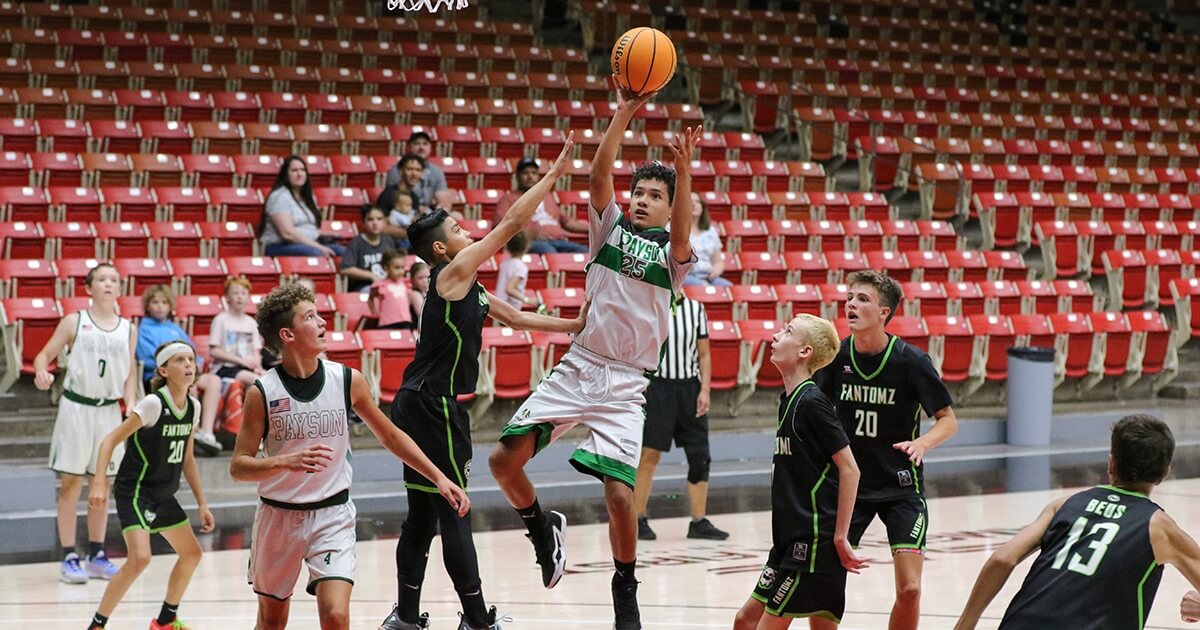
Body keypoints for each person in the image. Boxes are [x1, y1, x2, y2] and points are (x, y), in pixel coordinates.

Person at [487, 80, 703, 630]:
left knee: (618, 496)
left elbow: (682, 228)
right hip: (579, 367)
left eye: (655, 195)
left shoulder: (673, 258)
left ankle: (624, 585)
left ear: (670, 206)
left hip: (628, 384)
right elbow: (599, 176)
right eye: (641, 193)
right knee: (502, 463)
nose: (642, 200)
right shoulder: (607, 233)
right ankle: (541, 525)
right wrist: (624, 112)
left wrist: (684, 175)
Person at [379, 132, 584, 630]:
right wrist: (553, 178)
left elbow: (515, 317)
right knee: (454, 509)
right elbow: (513, 222)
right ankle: (476, 619)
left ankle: (406, 617)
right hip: (433, 406)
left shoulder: (467, 284)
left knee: (423, 518)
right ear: (442, 247)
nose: (467, 229)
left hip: (417, 401)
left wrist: (573, 326)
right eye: (457, 226)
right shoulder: (451, 273)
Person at [230, 283, 470, 630]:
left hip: (332, 514)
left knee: (336, 615)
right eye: (311, 317)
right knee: (271, 621)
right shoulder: (263, 392)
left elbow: (390, 435)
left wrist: (439, 477)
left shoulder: (346, 380)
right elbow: (239, 467)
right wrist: (284, 461)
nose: (324, 322)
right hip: (278, 518)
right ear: (288, 334)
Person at [955, 414, 1200, 629]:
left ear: (1111, 464)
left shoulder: (1064, 504)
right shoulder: (1159, 527)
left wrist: (965, 625)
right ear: (1165, 473)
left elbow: (1002, 558)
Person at [814, 270, 958, 630]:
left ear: (884, 312)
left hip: (901, 486)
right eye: (849, 297)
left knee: (910, 589)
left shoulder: (911, 362)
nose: (851, 304)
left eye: (862, 299)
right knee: (825, 580)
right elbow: (813, 412)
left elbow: (948, 420)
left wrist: (923, 442)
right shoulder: (836, 358)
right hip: (850, 488)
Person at [733, 314, 867, 630]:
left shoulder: (812, 404)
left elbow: (850, 470)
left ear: (805, 352)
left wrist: (840, 536)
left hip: (812, 544)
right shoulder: (789, 401)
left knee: (759, 625)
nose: (776, 335)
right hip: (786, 544)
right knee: (745, 621)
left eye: (787, 331)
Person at [86, 341, 216, 630]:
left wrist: (202, 503)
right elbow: (109, 440)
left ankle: (166, 621)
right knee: (140, 558)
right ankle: (97, 624)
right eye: (180, 360)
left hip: (163, 493)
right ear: (164, 370)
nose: (188, 365)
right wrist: (98, 482)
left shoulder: (193, 407)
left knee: (192, 553)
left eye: (191, 359)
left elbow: (189, 459)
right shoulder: (154, 403)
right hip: (135, 490)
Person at [33, 262, 137, 584]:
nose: (108, 284)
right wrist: (41, 372)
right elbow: (43, 355)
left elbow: (130, 371)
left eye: (114, 280)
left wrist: (131, 404)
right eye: (102, 279)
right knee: (71, 484)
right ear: (89, 288)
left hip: (108, 412)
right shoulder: (74, 321)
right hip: (76, 409)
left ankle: (97, 554)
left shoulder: (128, 328)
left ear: (120, 288)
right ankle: (68, 556)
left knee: (101, 484)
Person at [633, 293, 728, 541]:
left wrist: (705, 389)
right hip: (658, 389)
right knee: (649, 454)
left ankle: (698, 521)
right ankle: (637, 518)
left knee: (700, 457)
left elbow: (704, 354)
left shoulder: (696, 309)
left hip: (690, 389)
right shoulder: (650, 305)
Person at [136, 284, 223, 455]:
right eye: (155, 302)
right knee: (188, 382)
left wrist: (194, 364)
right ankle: (193, 434)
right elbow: (147, 359)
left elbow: (193, 352)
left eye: (164, 302)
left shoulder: (175, 329)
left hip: (184, 373)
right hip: (159, 377)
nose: (160, 306)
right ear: (147, 305)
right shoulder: (143, 329)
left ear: (170, 306)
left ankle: (207, 433)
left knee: (214, 381)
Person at [493, 156, 588, 254]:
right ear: (517, 176)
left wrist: (592, 229)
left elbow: (567, 222)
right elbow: (500, 226)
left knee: (586, 253)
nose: (530, 176)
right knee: (550, 253)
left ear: (538, 176)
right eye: (525, 173)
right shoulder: (509, 198)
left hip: (559, 240)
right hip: (533, 242)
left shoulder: (547, 196)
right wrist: (528, 235)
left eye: (533, 173)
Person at [260, 155, 345, 258]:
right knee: (316, 254)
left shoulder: (308, 196)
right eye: (294, 171)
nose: (299, 174)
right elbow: (287, 234)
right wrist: (319, 247)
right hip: (280, 245)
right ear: (286, 174)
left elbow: (305, 227)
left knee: (344, 252)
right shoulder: (279, 196)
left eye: (302, 170)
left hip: (308, 243)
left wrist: (323, 234)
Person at [209, 277, 263, 388]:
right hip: (226, 367)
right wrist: (240, 360)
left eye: (243, 293)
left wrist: (257, 367)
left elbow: (256, 351)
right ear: (228, 298)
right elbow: (214, 351)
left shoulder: (251, 322)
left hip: (247, 367)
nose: (240, 297)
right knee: (256, 381)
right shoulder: (220, 320)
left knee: (266, 379)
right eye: (235, 293)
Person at [385, 131, 456, 210]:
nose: (421, 147)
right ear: (408, 147)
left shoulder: (436, 171)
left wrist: (442, 208)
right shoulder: (397, 170)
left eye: (425, 144)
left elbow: (443, 200)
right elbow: (392, 198)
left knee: (456, 216)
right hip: (405, 210)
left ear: (430, 148)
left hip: (428, 211)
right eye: (417, 144)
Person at [339, 204, 398, 293]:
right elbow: (345, 269)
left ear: (384, 222)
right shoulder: (356, 243)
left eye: (379, 219)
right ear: (363, 223)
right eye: (370, 219)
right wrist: (370, 275)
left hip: (387, 283)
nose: (375, 223)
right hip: (364, 287)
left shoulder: (388, 241)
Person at [684, 192, 733, 287]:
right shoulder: (674, 229)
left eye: (697, 202)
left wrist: (717, 269)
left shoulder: (710, 231)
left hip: (708, 276)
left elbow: (718, 261)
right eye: (690, 202)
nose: (694, 204)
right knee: (704, 287)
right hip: (685, 276)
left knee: (730, 288)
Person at [378, 154, 426, 240]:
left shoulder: (414, 198)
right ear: (401, 171)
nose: (414, 174)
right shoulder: (388, 194)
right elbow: (381, 228)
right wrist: (408, 233)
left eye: (418, 170)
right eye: (409, 169)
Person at [368, 249, 417, 330]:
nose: (401, 271)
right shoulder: (381, 285)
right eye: (397, 268)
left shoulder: (405, 283)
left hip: (405, 321)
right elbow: (370, 298)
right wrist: (374, 312)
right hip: (387, 323)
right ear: (385, 268)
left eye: (402, 267)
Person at [495, 231, 538, 310]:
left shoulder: (504, 264)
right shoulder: (521, 267)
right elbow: (509, 289)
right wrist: (527, 300)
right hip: (511, 308)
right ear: (526, 246)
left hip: (499, 306)